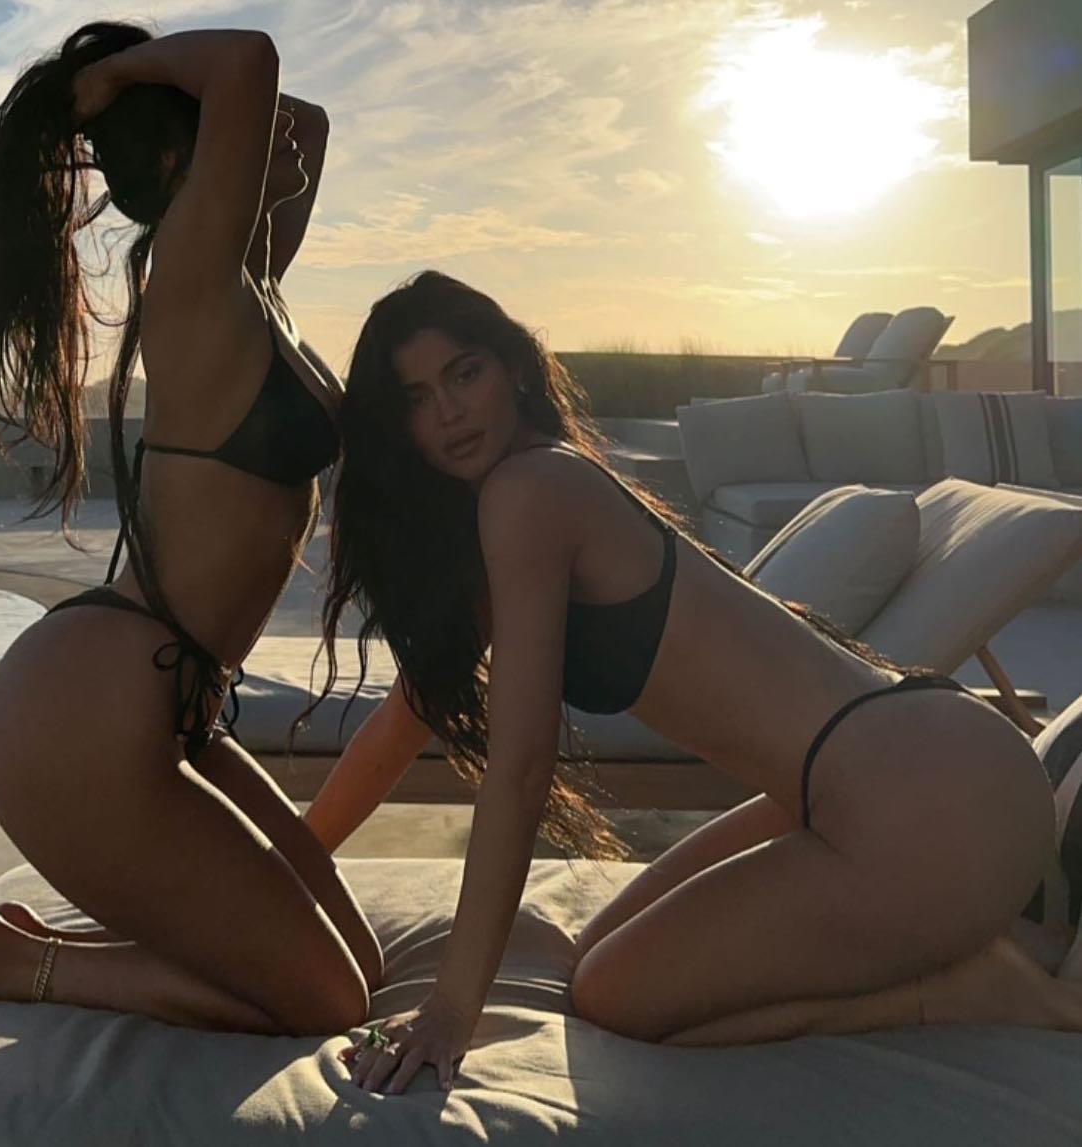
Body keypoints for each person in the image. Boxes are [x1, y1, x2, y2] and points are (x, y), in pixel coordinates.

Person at [304, 270, 1080, 1094]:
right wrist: (292, 868)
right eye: (417, 399)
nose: (449, 411)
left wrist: (449, 1010)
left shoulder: (529, 491)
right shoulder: (532, 494)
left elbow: (520, 766)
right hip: (903, 772)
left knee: (616, 995)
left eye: (464, 373)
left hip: (929, 803)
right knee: (600, 955)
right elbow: (406, 717)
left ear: (513, 370)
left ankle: (976, 988)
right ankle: (964, 932)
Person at [0, 22, 380, 1035]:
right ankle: (11, 956)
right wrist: (111, 76)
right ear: (181, 160)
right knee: (327, 999)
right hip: (87, 716)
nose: (276, 138)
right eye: (246, 137)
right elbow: (248, 61)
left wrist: (171, 104)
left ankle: (34, 949)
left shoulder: (249, 285)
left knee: (356, 963)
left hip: (170, 705)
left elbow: (309, 122)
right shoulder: (191, 272)